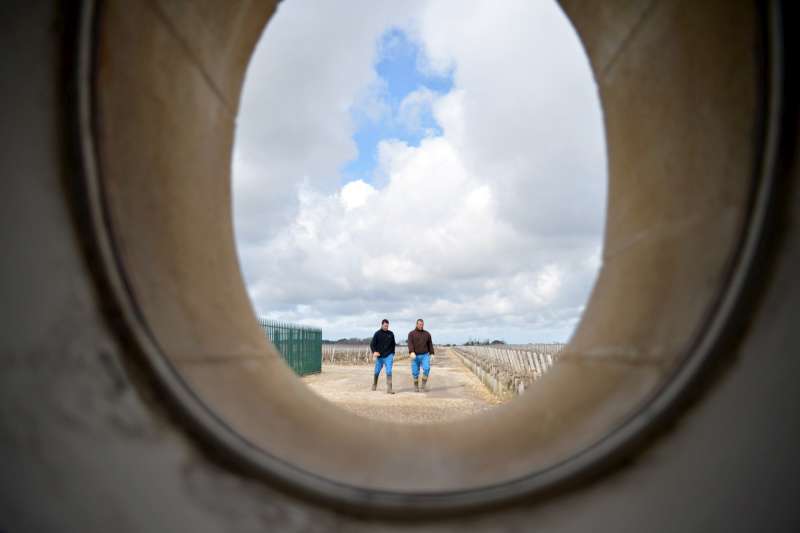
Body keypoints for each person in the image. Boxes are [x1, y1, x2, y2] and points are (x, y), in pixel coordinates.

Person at [407, 318, 434, 392]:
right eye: (419, 324)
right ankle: (416, 386)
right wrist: (411, 352)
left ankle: (423, 385)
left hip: (425, 355)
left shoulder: (427, 334)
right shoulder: (411, 334)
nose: (421, 326)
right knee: (415, 372)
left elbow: (430, 344)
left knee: (427, 368)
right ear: (416, 324)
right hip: (415, 356)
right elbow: (410, 343)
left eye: (422, 324)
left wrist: (432, 353)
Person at [370, 319, 396, 394]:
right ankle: (374, 384)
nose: (386, 327)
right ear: (382, 325)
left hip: (388, 355)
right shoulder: (377, 334)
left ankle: (389, 388)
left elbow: (393, 344)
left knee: (389, 371)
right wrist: (374, 352)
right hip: (380, 356)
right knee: (376, 371)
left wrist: (392, 353)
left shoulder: (391, 333)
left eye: (387, 326)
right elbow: (372, 344)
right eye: (385, 326)